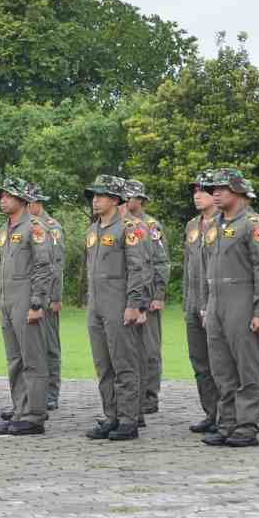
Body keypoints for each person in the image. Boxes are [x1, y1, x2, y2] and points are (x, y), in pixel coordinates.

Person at [200, 170, 259, 448]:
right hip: (217, 301)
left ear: (240, 192)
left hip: (242, 299)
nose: (215, 193)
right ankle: (227, 422)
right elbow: (206, 268)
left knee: (248, 367)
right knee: (222, 368)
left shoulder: (254, 224)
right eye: (213, 189)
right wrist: (206, 305)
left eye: (222, 188)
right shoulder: (214, 225)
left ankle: (246, 425)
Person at [82, 175, 149, 440]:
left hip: (119, 303)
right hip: (96, 304)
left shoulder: (130, 228)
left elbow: (138, 268)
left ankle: (129, 419)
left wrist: (134, 304)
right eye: (94, 196)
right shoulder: (93, 230)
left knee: (124, 362)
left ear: (114, 199)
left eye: (101, 196)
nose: (95, 200)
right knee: (103, 364)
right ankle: (111, 415)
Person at [0, 177, 52, 436]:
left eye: (8, 195)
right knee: (15, 359)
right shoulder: (6, 228)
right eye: (2, 195)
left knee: (32, 358)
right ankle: (20, 409)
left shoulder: (35, 227)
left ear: (22, 200)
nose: (3, 199)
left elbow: (44, 266)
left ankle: (34, 414)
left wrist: (38, 301)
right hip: (7, 299)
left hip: (26, 297)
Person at [122, 180, 169, 417]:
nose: (126, 201)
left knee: (149, 349)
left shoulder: (151, 226)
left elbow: (160, 261)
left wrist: (159, 294)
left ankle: (150, 395)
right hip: (130, 296)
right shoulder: (121, 224)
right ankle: (134, 395)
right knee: (130, 349)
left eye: (130, 196)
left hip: (149, 295)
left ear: (140, 199)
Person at [184, 172, 221, 434]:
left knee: (222, 362)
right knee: (200, 362)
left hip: (218, 303)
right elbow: (189, 266)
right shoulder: (192, 226)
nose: (197, 195)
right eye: (195, 190)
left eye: (203, 190)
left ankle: (228, 414)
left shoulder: (225, 223)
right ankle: (211, 412)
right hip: (193, 302)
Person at [25, 184, 64, 412]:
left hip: (47, 295)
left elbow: (56, 264)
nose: (28, 207)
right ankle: (32, 395)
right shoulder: (25, 226)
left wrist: (55, 296)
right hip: (28, 295)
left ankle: (51, 393)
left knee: (49, 346)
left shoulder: (51, 228)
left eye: (31, 202)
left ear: (39, 203)